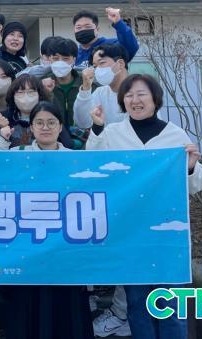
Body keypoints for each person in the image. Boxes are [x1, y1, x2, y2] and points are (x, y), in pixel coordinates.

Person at [87, 74, 202, 339]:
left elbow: (197, 184)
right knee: (137, 304)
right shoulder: (112, 133)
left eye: (141, 94)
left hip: (168, 233)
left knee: (170, 305)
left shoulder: (175, 135)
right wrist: (96, 129)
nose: (135, 100)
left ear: (155, 99)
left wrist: (190, 167)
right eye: (129, 95)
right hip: (129, 231)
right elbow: (94, 165)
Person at [0, 102, 94, 339]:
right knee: (28, 304)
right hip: (28, 245)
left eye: (51, 122)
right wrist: (2, 139)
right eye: (39, 122)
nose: (45, 127)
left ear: (60, 126)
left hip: (65, 246)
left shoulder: (77, 159)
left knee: (67, 307)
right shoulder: (18, 155)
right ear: (32, 127)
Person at [70, 43, 132, 337]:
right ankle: (93, 296)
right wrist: (85, 88)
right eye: (94, 65)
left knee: (128, 241)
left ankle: (122, 313)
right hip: (104, 176)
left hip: (134, 178)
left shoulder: (139, 90)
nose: (98, 70)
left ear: (120, 63)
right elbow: (82, 121)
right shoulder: (100, 93)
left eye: (102, 63)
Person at [46, 37, 87, 148]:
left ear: (74, 59)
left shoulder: (87, 84)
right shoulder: (41, 85)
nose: (60, 62)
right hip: (52, 145)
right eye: (55, 58)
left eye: (65, 59)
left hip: (84, 144)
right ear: (49, 59)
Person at [73, 8, 139, 68]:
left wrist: (118, 22)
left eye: (88, 27)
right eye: (78, 27)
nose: (83, 30)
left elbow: (130, 47)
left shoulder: (111, 45)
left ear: (97, 29)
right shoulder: (73, 54)